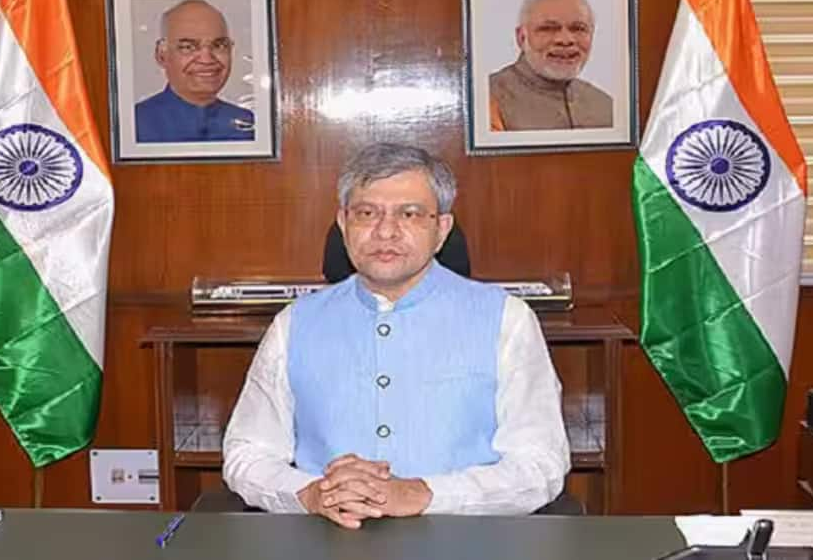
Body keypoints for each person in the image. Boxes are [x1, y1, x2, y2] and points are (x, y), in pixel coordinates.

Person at [223, 142, 569, 529]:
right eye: (367, 213)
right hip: (327, 540)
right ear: (343, 224)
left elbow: (540, 465)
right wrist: (310, 493)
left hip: (466, 541)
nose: (386, 231)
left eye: (410, 214)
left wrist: (425, 493)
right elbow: (247, 454)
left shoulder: (508, 320)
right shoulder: (294, 323)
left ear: (441, 230)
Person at [488, 0, 614, 131]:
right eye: (548, 29)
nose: (565, 40)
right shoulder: (487, 100)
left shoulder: (605, 105)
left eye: (578, 28)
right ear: (522, 38)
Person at [134, 0, 255, 143]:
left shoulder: (249, 125)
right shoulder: (134, 124)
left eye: (219, 45)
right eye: (188, 47)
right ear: (161, 55)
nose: (207, 59)